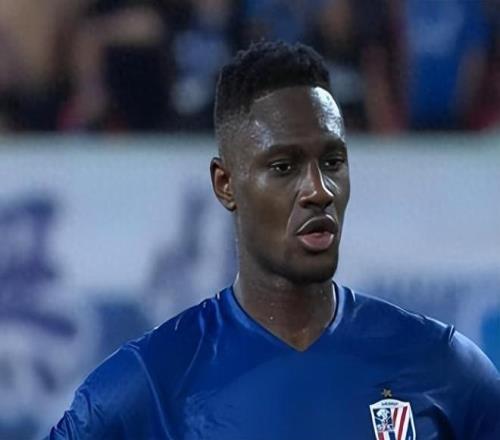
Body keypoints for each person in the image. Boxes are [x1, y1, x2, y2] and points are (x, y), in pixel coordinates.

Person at [46, 41, 500, 439]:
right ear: (225, 184)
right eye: (284, 167)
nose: (319, 190)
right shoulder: (151, 383)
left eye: (333, 162)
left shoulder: (443, 368)